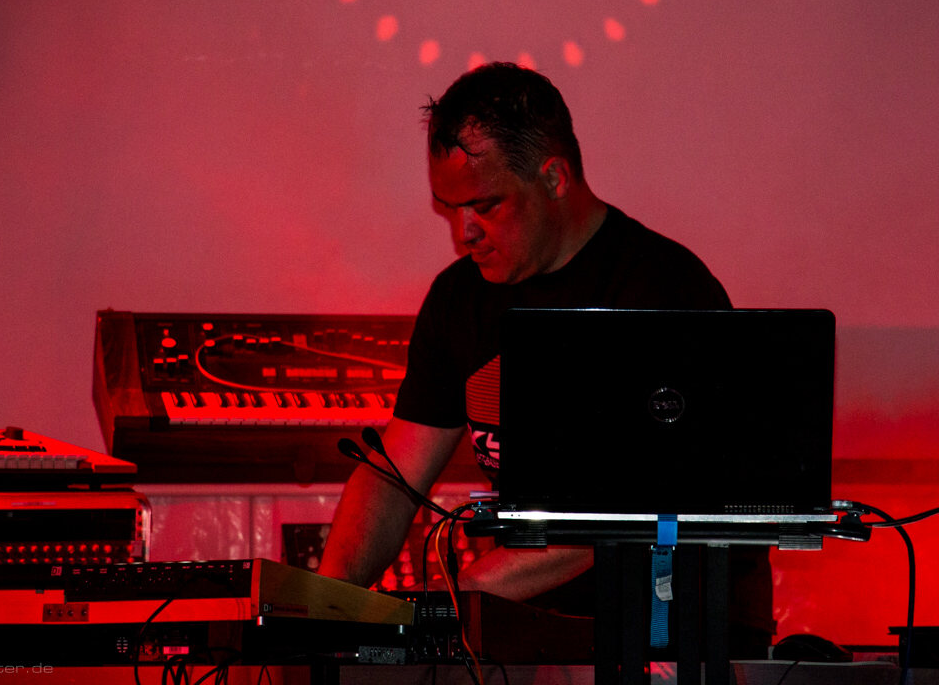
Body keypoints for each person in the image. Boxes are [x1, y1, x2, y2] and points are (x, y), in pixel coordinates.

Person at [318, 62, 772, 645]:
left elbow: (638, 505)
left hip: (677, 636)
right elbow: (393, 473)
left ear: (555, 178)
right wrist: (326, 605)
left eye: (485, 206)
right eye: (450, 208)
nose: (463, 232)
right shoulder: (459, 299)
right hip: (533, 629)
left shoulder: (665, 292)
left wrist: (463, 594)